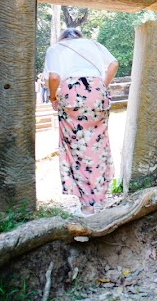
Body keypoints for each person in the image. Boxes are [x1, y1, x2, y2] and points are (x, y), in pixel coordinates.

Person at [43, 27, 118, 216]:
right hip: (97, 92)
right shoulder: (92, 44)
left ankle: (86, 203)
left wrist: (53, 97)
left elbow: (53, 77)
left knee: (76, 147)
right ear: (79, 37)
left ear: (63, 38)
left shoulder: (56, 48)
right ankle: (100, 197)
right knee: (98, 144)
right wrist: (102, 85)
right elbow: (114, 64)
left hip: (72, 96)